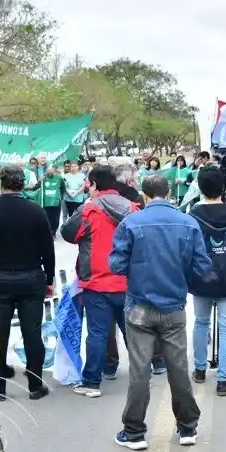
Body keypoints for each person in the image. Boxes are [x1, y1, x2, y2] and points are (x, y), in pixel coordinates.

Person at [109, 174, 211, 450]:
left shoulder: (130, 222)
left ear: (144, 195)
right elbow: (202, 266)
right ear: (168, 193)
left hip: (140, 306)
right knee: (178, 368)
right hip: (174, 306)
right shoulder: (189, 223)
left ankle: (134, 432)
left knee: (140, 371)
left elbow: (116, 266)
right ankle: (187, 427)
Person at [0, 164, 55, 401]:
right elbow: (48, 250)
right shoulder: (36, 211)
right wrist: (48, 278)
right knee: (32, 332)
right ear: (22, 183)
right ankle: (35, 385)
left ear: (2, 182)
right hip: (30, 278)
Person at [60, 164, 137, 397]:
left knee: (97, 334)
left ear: (93, 185)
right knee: (133, 333)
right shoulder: (133, 208)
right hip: (127, 282)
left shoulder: (89, 210)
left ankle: (92, 383)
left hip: (96, 283)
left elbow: (68, 233)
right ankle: (141, 377)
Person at [188, 166, 226, 396]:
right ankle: (224, 380)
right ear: (223, 187)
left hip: (201, 278)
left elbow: (188, 246)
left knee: (201, 323)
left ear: (201, 188)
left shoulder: (193, 215)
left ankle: (200, 369)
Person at [38, 163, 65, 233]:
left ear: (54, 170)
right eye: (48, 170)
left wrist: (59, 197)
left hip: (56, 202)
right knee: (46, 218)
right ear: (46, 170)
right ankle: (48, 232)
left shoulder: (59, 178)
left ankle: (54, 232)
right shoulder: (42, 178)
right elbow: (37, 187)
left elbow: (63, 188)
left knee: (55, 218)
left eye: (51, 170)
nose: (50, 172)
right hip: (45, 202)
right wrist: (39, 181)